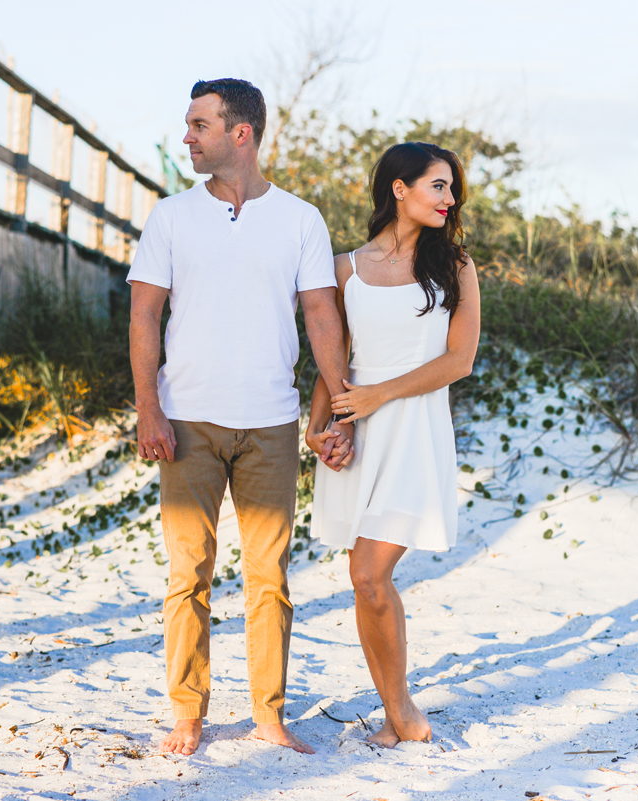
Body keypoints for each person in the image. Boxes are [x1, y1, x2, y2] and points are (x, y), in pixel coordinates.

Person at [128, 78, 355, 756]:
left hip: (271, 423)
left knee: (270, 578)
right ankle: (188, 713)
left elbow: (321, 314)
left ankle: (268, 713)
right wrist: (148, 406)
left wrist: (339, 408)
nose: (188, 137)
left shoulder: (299, 219)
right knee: (187, 574)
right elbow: (144, 312)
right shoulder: (170, 217)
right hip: (187, 420)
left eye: (200, 125)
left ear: (241, 134)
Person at [307, 142, 481, 748]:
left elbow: (459, 360)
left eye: (451, 188)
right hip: (360, 432)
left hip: (415, 435)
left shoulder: (454, 265)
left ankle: (403, 711)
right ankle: (396, 715)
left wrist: (379, 395)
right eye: (438, 185)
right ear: (399, 188)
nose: (449, 199)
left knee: (370, 570)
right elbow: (336, 354)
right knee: (364, 581)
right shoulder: (345, 268)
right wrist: (322, 420)